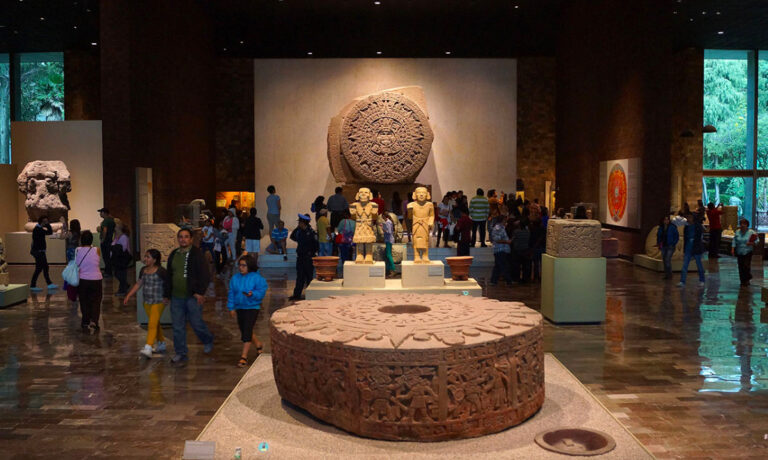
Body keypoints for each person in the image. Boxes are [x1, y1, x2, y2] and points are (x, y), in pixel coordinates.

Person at [165, 228, 214, 367]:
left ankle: (207, 339)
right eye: (181, 237)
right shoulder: (174, 254)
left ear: (191, 239)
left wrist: (200, 292)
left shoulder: (197, 254)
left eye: (186, 237)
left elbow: (205, 274)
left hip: (192, 296)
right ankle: (181, 352)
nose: (183, 239)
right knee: (178, 326)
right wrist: (166, 294)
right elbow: (169, 275)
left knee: (196, 323)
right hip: (176, 297)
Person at [123, 249, 169, 358]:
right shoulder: (143, 270)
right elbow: (139, 284)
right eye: (145, 256)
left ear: (154, 259)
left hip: (158, 302)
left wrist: (167, 297)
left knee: (152, 324)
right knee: (155, 323)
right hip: (147, 301)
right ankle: (161, 343)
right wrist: (129, 295)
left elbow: (168, 284)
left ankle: (148, 346)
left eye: (148, 257)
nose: (145, 259)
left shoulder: (161, 271)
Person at [228, 254, 268, 367]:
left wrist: (253, 294)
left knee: (247, 330)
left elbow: (261, 292)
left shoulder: (257, 278)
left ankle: (244, 356)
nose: (241, 268)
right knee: (245, 329)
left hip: (252, 307)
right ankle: (258, 344)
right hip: (240, 307)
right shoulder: (235, 278)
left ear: (249, 266)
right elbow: (231, 293)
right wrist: (231, 307)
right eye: (240, 265)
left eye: (244, 266)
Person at [76, 231, 102, 332]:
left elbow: (77, 263)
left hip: (83, 279)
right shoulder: (97, 250)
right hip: (96, 278)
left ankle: (85, 321)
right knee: (96, 301)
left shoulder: (78, 250)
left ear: (81, 240)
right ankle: (94, 321)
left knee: (84, 301)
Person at [289, 214, 317, 301]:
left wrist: (311, 253)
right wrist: (297, 228)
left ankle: (310, 295)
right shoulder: (299, 231)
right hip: (300, 257)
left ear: (303, 223)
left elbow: (316, 245)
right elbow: (292, 236)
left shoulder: (311, 233)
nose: (299, 224)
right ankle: (297, 294)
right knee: (300, 277)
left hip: (308, 258)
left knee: (309, 277)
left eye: (300, 222)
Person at [30, 216, 56, 292]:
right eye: (45, 221)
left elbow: (49, 232)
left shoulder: (39, 229)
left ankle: (49, 283)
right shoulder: (37, 229)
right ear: (42, 222)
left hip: (41, 252)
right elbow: (49, 232)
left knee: (45, 267)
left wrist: (46, 225)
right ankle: (33, 285)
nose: (47, 223)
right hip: (38, 252)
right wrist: (47, 225)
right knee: (39, 268)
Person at [679, 213, 705, 287]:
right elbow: (685, 238)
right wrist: (684, 249)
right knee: (685, 265)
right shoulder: (686, 227)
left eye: (690, 217)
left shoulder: (698, 226)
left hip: (696, 247)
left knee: (699, 264)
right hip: (688, 247)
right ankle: (682, 281)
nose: (688, 219)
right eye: (688, 217)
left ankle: (702, 280)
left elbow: (699, 238)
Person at [732, 218, 757, 287]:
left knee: (746, 266)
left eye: (744, 224)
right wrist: (733, 249)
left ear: (747, 225)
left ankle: (747, 278)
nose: (742, 225)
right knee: (741, 266)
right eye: (741, 224)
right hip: (739, 251)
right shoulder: (737, 232)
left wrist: (752, 243)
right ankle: (743, 281)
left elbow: (757, 241)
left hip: (748, 251)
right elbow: (734, 240)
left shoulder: (751, 232)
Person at [489, 215, 512, 285]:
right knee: (503, 265)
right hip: (500, 249)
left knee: (498, 266)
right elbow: (497, 239)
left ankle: (493, 280)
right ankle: (508, 280)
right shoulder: (498, 228)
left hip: (501, 249)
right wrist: (507, 242)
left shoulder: (501, 227)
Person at [657, 215, 679, 280]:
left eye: (667, 219)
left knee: (667, 259)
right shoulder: (661, 228)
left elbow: (676, 236)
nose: (666, 221)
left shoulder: (672, 227)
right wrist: (659, 243)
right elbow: (659, 236)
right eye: (665, 220)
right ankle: (667, 274)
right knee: (664, 260)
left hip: (670, 246)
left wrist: (673, 243)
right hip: (663, 245)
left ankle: (669, 274)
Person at [112, 223, 132, 296]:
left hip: (122, 258)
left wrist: (114, 247)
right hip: (118, 258)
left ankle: (122, 290)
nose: (114, 228)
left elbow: (123, 248)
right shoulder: (117, 237)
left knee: (121, 274)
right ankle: (124, 286)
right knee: (118, 273)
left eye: (116, 227)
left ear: (119, 228)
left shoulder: (124, 237)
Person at [97, 208, 116, 278]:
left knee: (106, 257)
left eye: (101, 212)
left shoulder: (105, 221)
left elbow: (105, 230)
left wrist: (103, 239)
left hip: (105, 242)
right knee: (108, 257)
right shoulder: (112, 220)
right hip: (110, 240)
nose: (100, 214)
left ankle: (108, 272)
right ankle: (108, 271)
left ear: (104, 213)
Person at [380, 212, 397, 277]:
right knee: (388, 254)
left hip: (389, 240)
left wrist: (383, 228)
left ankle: (393, 269)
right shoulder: (388, 222)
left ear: (384, 216)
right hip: (388, 240)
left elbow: (389, 231)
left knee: (388, 255)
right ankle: (389, 269)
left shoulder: (388, 222)